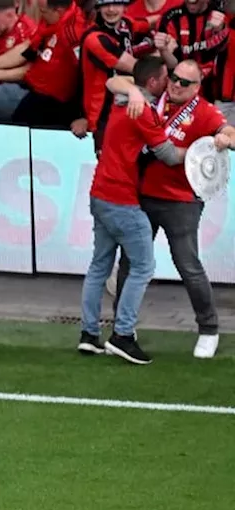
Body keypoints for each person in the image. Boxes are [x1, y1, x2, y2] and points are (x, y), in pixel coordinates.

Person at [107, 60, 235, 359]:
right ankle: (122, 329)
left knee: (188, 265)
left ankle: (209, 329)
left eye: (184, 82)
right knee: (130, 262)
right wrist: (134, 93)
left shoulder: (204, 112)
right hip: (142, 196)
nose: (176, 84)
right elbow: (112, 83)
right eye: (174, 78)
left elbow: (229, 131)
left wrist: (224, 138)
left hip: (182, 201)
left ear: (197, 88)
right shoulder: (152, 99)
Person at [76, 55, 185, 364]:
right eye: (166, 78)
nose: (170, 83)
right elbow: (168, 155)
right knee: (143, 267)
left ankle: (88, 334)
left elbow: (114, 82)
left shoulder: (123, 100)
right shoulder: (143, 112)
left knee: (99, 266)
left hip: (100, 192)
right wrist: (202, 148)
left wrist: (134, 91)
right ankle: (123, 335)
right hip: (121, 200)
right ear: (153, 82)